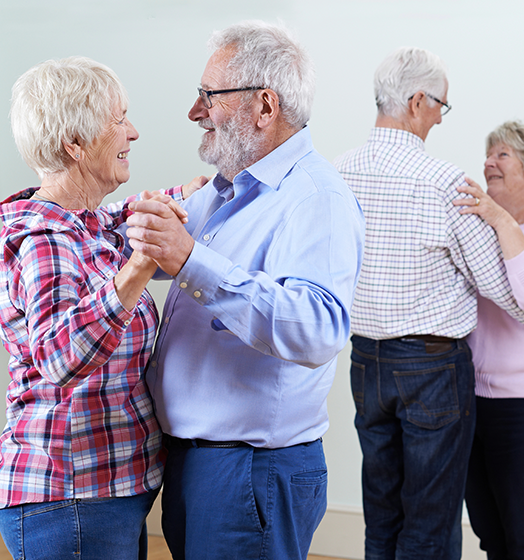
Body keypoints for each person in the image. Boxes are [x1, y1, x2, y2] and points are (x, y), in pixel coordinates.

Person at [125, 21, 365, 560]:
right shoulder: (223, 189)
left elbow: (318, 330)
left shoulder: (315, 198)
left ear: (264, 106)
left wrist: (192, 259)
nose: (195, 111)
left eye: (209, 95)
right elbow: (169, 262)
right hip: (199, 463)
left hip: (251, 469)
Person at [334, 48, 524, 559]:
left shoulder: (338, 173)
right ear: (417, 102)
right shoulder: (442, 183)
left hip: (365, 361)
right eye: (440, 104)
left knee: (383, 512)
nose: (440, 115)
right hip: (432, 369)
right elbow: (508, 293)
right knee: (430, 518)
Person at [0, 56, 201, 560]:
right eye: (119, 120)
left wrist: (206, 190)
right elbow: (59, 357)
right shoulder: (44, 240)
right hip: (67, 499)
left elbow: (133, 214)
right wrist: (140, 267)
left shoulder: (88, 224)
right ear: (75, 145)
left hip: (104, 494)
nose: (134, 132)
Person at [453, 121, 524, 559]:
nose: (488, 163)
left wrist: (498, 216)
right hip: (476, 402)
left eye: (502, 155)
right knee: (491, 534)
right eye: (488, 154)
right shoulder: (486, 233)